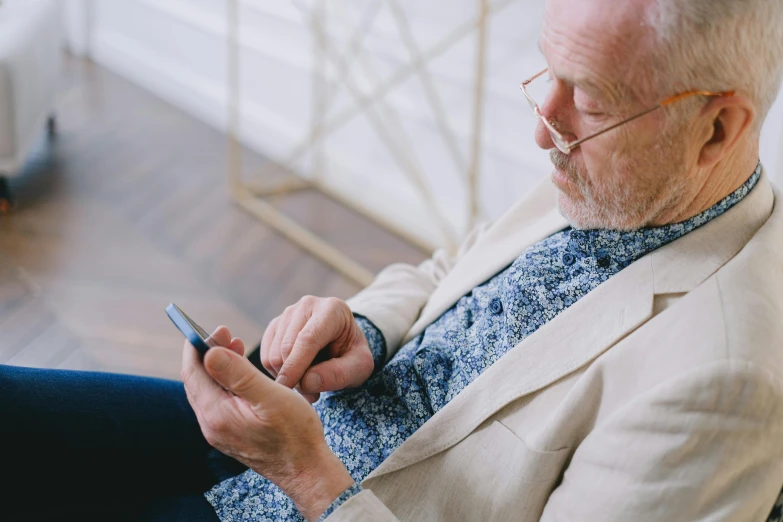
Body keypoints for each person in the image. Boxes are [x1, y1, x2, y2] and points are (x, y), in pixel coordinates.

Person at [3, 0, 783, 520]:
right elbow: (452, 265)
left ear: (715, 130)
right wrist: (364, 330)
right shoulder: (622, 171)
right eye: (549, 72)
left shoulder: (724, 382)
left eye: (590, 97)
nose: (541, 125)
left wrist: (308, 473)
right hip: (297, 435)